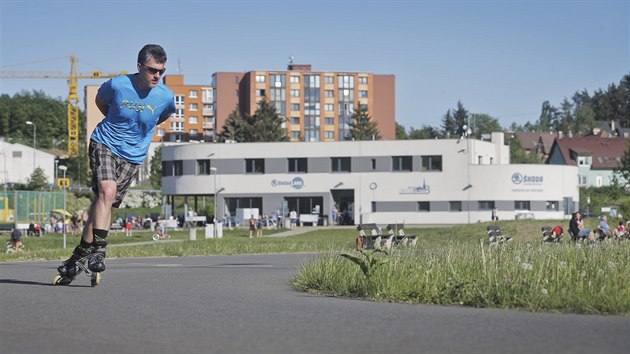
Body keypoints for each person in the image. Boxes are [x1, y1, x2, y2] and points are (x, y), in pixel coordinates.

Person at [57, 44, 176, 279]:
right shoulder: (118, 84)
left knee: (105, 202)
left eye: (161, 71)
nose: (157, 76)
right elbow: (101, 102)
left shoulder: (165, 96)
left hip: (133, 155)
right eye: (152, 70)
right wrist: (117, 125)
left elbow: (162, 116)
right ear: (139, 66)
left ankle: (79, 255)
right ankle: (99, 251)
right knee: (107, 191)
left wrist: (139, 132)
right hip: (105, 143)